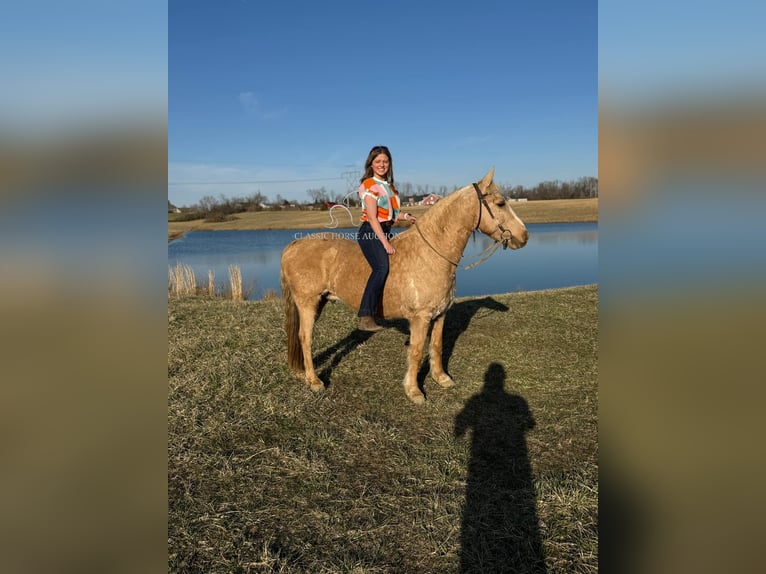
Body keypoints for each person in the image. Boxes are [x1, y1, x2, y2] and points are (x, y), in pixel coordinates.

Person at [356, 145, 417, 332]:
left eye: (385, 161)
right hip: (371, 232)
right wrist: (384, 242)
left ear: (389, 164)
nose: (382, 165)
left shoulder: (389, 187)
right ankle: (366, 316)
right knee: (381, 267)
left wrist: (406, 217)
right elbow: (373, 218)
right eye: (378, 161)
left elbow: (391, 214)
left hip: (385, 229)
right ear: (371, 164)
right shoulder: (368, 185)